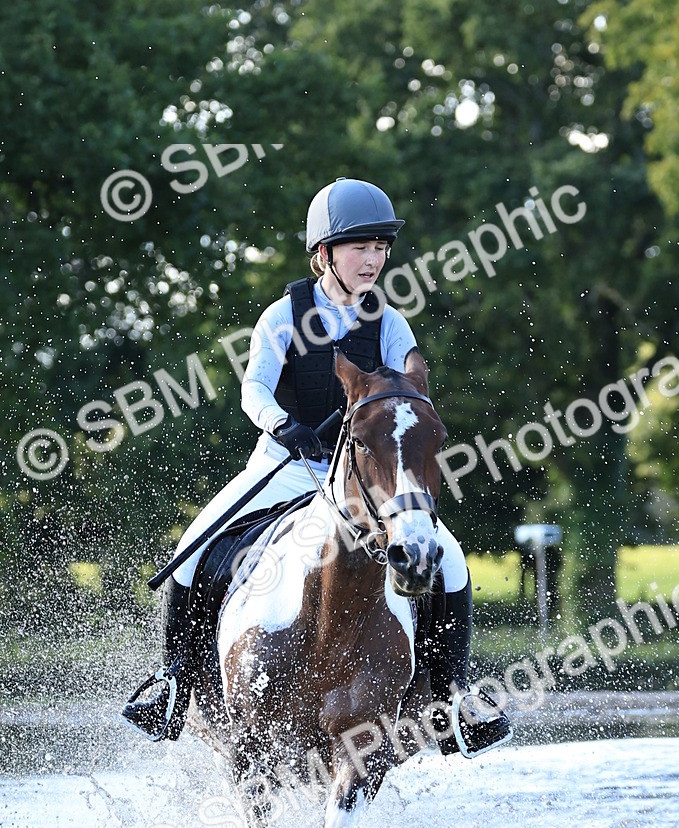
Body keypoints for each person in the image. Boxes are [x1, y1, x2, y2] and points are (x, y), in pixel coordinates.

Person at [123, 178, 512, 755]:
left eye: (381, 247)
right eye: (361, 247)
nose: (374, 259)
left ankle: (454, 696)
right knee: (194, 549)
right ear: (324, 253)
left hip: (360, 477)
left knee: (447, 557)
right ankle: (173, 681)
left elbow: (405, 393)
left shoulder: (390, 324)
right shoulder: (284, 316)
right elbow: (253, 387)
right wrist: (282, 425)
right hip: (284, 462)